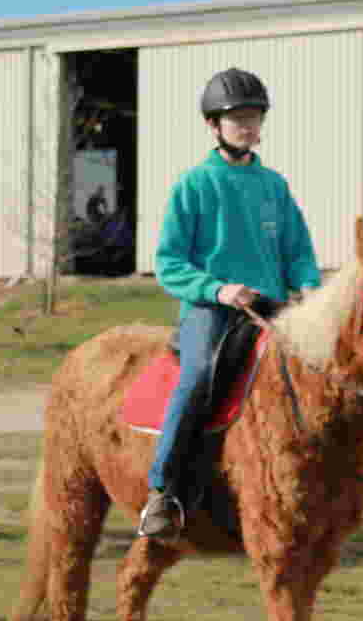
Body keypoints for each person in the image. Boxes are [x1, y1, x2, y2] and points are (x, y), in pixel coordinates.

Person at [138, 68, 322, 538]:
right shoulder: (194, 185)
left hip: (273, 310)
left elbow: (298, 249)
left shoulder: (274, 186)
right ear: (213, 125)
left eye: (254, 117)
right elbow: (169, 263)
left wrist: (307, 286)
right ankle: (162, 492)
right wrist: (219, 289)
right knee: (198, 376)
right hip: (214, 309)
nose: (247, 126)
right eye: (237, 118)